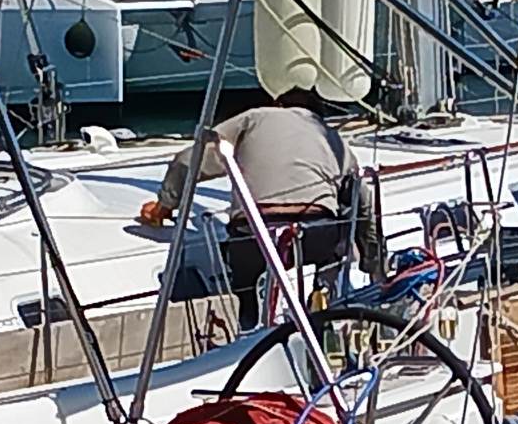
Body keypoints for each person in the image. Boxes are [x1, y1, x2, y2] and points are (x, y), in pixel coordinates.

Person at [138, 88, 378, 326]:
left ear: (277, 104)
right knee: (335, 247)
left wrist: (165, 206)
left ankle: (248, 324)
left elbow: (187, 162)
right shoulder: (329, 135)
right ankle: (322, 300)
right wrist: (373, 261)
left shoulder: (255, 118)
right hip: (316, 233)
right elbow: (363, 202)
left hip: (253, 234)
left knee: (246, 284)